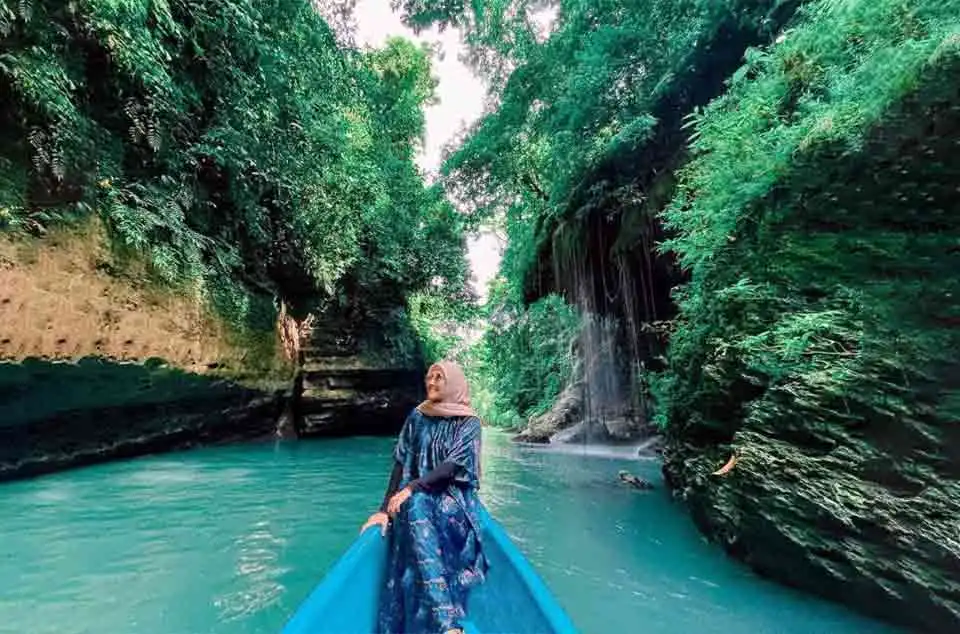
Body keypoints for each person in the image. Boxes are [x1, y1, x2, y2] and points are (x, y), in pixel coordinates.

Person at [361, 360, 488, 634]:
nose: (431, 382)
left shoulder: (469, 423)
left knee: (415, 504)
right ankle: (448, 626)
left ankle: (446, 624)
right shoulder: (417, 416)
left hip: (453, 500)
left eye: (439, 378)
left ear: (452, 383)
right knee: (414, 506)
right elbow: (400, 462)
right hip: (417, 496)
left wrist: (411, 488)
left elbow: (451, 468)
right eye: (429, 377)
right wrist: (384, 509)